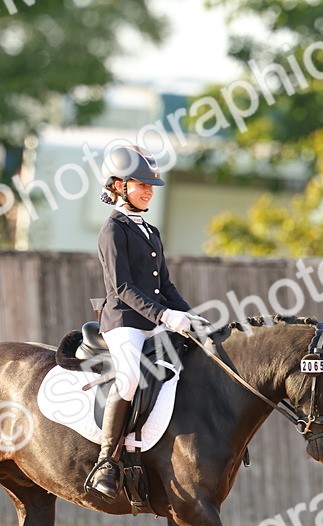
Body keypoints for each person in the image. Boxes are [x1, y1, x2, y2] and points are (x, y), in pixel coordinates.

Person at [85, 144, 207, 499]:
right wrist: (164, 315)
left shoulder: (150, 231)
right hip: (124, 322)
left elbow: (164, 285)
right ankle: (106, 460)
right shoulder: (112, 231)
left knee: (192, 363)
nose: (149, 190)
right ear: (119, 186)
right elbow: (122, 286)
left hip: (154, 319)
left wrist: (189, 314)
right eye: (141, 184)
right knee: (130, 378)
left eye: (151, 185)